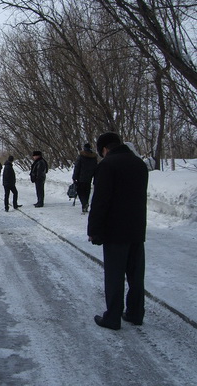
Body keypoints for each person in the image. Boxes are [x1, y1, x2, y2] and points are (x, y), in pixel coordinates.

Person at [88, 132, 148, 331]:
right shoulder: (139, 164)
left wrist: (94, 230)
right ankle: (135, 313)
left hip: (115, 230)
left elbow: (100, 201)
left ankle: (112, 317)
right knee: (136, 274)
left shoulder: (107, 165)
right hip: (137, 229)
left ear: (104, 149)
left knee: (114, 275)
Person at [72, 143, 98, 213]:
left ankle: (84, 203)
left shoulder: (81, 156)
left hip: (81, 178)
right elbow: (96, 168)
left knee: (80, 192)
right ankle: (86, 204)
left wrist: (74, 177)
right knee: (87, 191)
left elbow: (77, 167)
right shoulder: (94, 157)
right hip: (89, 178)